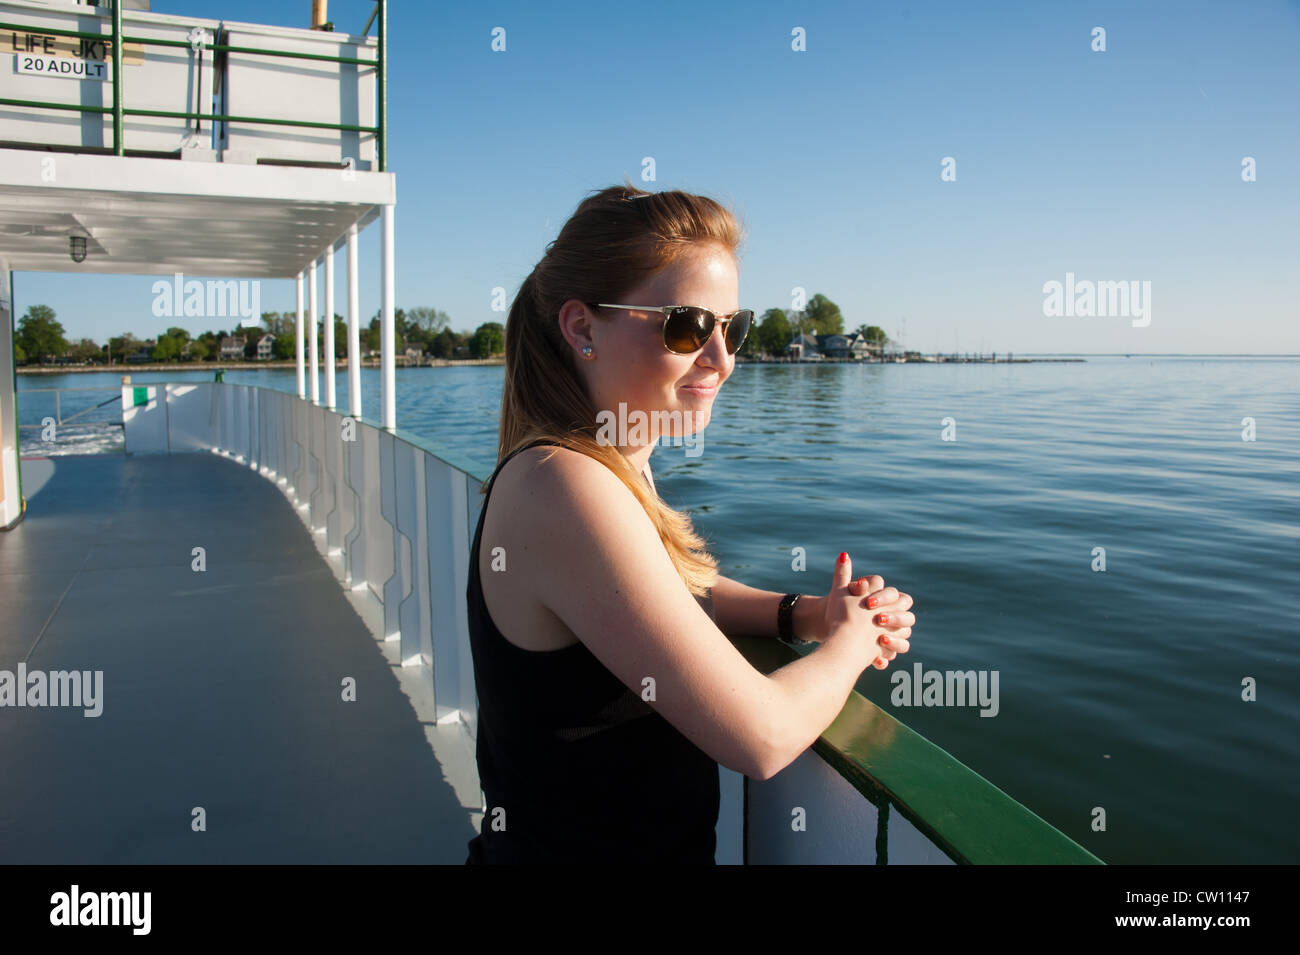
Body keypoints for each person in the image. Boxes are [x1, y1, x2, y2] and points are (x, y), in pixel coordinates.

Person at [464, 182, 916, 864]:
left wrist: (804, 614)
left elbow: (669, 591)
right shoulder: (564, 484)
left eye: (733, 326)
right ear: (582, 327)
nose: (724, 358)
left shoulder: (607, 464)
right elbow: (761, 737)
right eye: (688, 326)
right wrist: (851, 645)